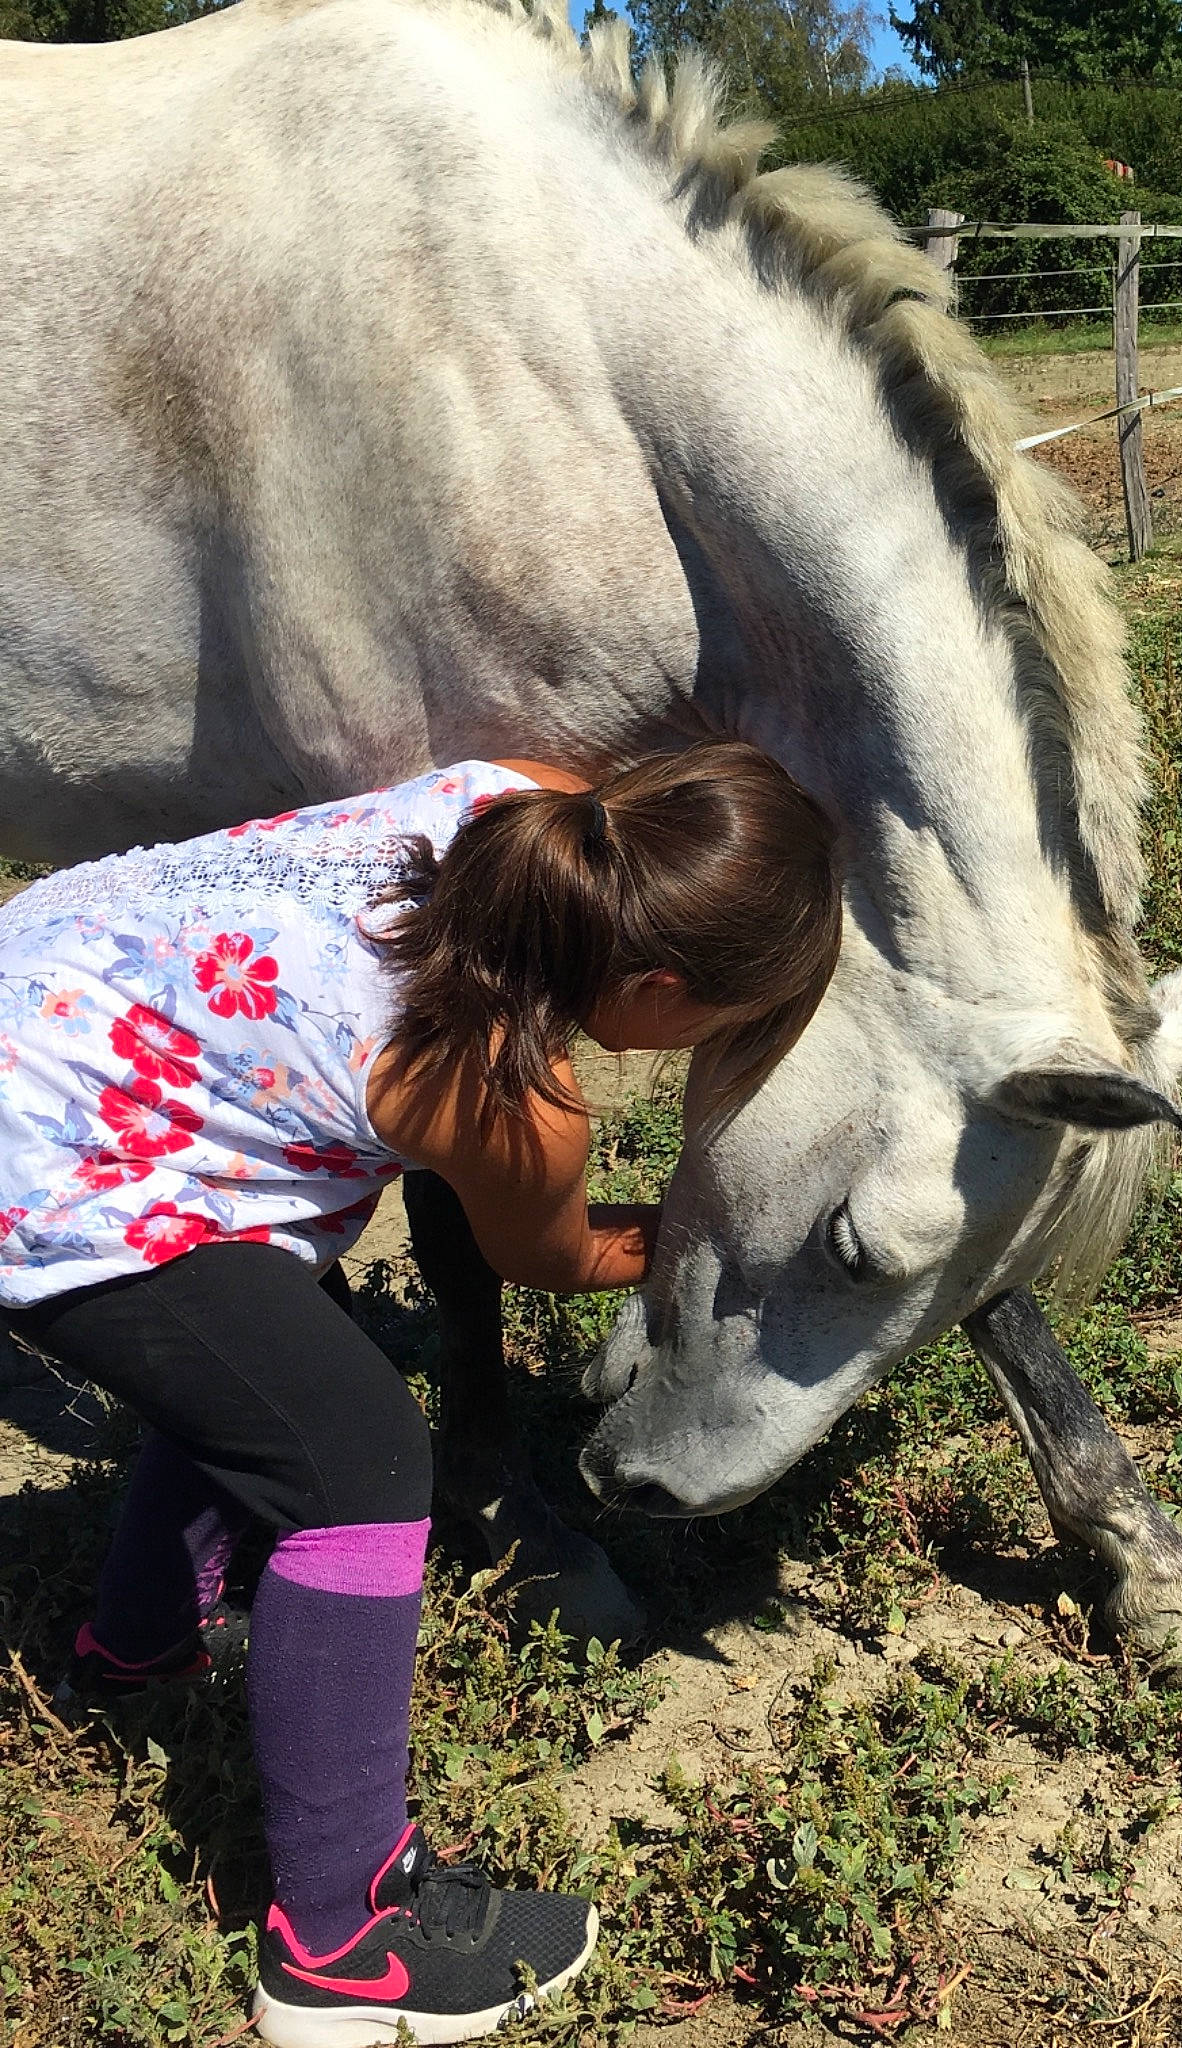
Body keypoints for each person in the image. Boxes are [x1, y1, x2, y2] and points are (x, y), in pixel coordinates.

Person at [0, 745, 842, 2047]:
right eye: (726, 1025)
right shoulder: (508, 1090)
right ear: (659, 989)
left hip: (61, 979)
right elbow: (552, 1255)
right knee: (360, 1464)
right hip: (47, 1153)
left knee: (274, 1372)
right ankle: (341, 1949)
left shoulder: (529, 797)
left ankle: (138, 1647)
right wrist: (722, 1234)